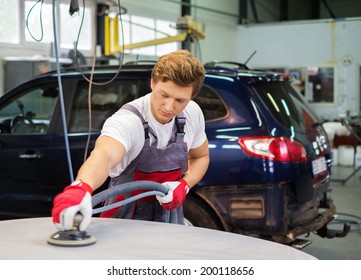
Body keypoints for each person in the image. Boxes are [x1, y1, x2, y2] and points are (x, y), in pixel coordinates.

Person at [51, 49, 209, 231]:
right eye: (163, 95)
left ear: (191, 97)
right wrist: (81, 187)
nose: (169, 107)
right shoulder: (129, 120)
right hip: (123, 221)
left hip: (169, 218)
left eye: (180, 100)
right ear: (152, 82)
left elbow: (200, 157)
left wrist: (184, 184)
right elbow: (104, 154)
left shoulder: (192, 113)